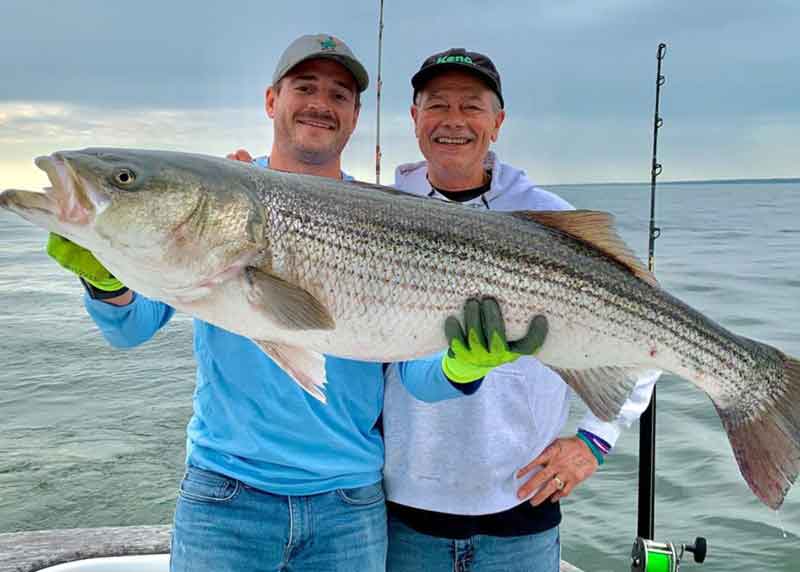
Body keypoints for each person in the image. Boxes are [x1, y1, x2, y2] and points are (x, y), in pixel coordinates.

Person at [45, 35, 545, 572]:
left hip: (350, 504)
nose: (320, 104)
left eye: (339, 95)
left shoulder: (387, 215)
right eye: (305, 87)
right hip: (225, 494)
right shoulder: (219, 198)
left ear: (354, 117)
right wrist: (105, 280)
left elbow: (412, 374)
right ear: (271, 100)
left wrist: (459, 366)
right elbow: (131, 329)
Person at [382, 48, 659, 572]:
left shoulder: (552, 218)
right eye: (436, 104)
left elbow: (650, 329)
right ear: (414, 118)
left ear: (498, 121)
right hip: (404, 512)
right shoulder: (383, 210)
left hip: (523, 508)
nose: (454, 121)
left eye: (472, 106)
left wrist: (595, 441)